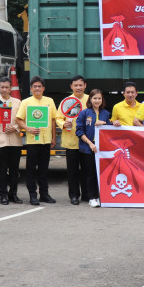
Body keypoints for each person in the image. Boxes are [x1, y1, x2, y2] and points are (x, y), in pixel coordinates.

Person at [16, 76, 57, 205]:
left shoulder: (49, 101)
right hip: (32, 141)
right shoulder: (26, 102)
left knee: (44, 169)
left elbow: (53, 120)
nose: (37, 88)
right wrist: (28, 128)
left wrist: (54, 137)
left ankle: (44, 194)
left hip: (46, 141)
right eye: (35, 86)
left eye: (39, 86)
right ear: (31, 89)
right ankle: (33, 195)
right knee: (31, 169)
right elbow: (19, 119)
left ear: (43, 88)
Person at [0, 77, 23, 205]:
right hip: (1, 141)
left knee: (14, 170)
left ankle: (13, 194)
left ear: (10, 88)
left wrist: (15, 127)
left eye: (7, 87)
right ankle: (3, 195)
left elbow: (22, 120)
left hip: (15, 141)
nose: (4, 90)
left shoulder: (17, 102)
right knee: (1, 170)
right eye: (2, 87)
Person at [56, 75, 89, 204]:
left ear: (85, 85)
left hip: (87, 142)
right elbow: (58, 118)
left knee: (87, 170)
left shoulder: (90, 100)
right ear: (71, 86)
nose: (78, 87)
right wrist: (63, 124)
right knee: (72, 171)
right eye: (76, 85)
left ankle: (87, 194)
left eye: (81, 85)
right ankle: (74, 196)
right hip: (71, 142)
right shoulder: (66, 101)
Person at [76, 89, 111, 207]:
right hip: (88, 148)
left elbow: (109, 130)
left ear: (102, 100)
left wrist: (107, 124)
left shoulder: (105, 113)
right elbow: (79, 131)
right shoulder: (84, 113)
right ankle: (92, 197)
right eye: (94, 98)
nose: (97, 101)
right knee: (90, 173)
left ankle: (100, 196)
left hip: (101, 149)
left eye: (99, 98)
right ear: (90, 99)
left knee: (100, 173)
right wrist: (90, 144)